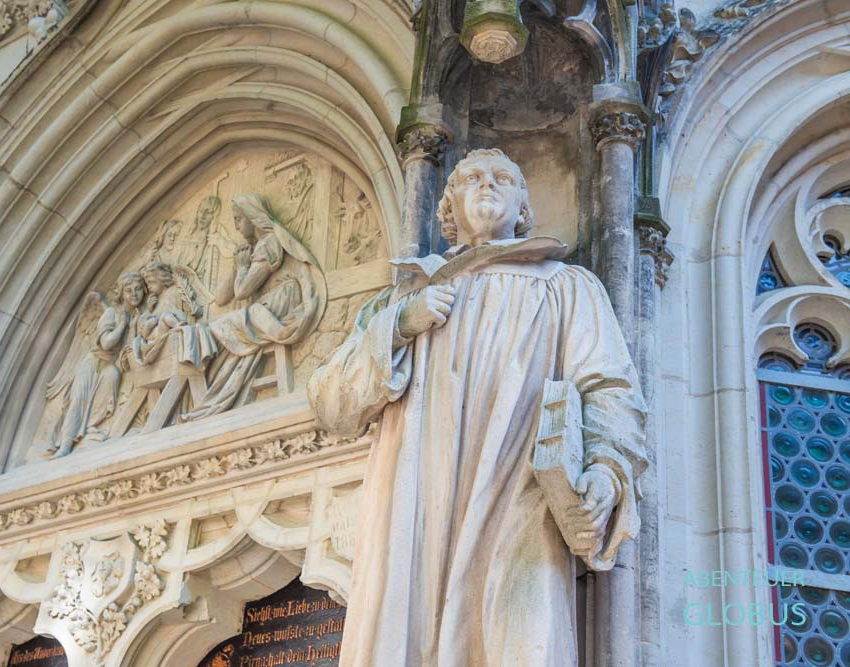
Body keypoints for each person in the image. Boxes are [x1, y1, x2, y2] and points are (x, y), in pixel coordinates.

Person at [308, 149, 648, 666]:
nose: (487, 185)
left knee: (517, 631)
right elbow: (332, 404)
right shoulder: (404, 298)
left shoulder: (566, 286)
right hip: (416, 508)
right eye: (470, 178)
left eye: (502, 178)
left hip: (517, 493)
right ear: (449, 208)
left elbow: (609, 388)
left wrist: (605, 470)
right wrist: (399, 327)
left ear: (523, 205)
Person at [180, 193, 325, 421]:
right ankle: (214, 396)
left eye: (238, 219)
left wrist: (243, 266)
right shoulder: (254, 248)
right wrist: (238, 265)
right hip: (265, 307)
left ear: (253, 218)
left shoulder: (270, 244)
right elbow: (221, 298)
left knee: (215, 332)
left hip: (279, 304)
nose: (236, 226)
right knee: (213, 331)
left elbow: (243, 291)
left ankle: (213, 397)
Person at [47, 271, 147, 458]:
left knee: (112, 377)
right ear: (121, 293)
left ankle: (92, 427)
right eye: (129, 290)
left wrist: (134, 327)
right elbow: (107, 343)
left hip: (112, 365)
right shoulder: (111, 313)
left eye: (138, 289)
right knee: (79, 399)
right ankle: (66, 445)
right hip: (93, 363)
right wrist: (122, 325)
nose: (134, 294)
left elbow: (129, 347)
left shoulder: (138, 315)